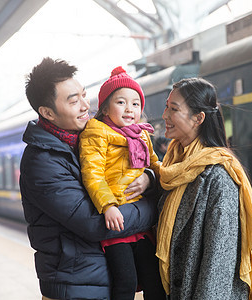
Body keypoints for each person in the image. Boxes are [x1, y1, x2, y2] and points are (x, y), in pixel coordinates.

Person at [20, 57, 159, 300]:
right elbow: (94, 223)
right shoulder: (41, 162)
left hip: (99, 279)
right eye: (74, 101)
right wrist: (156, 207)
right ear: (47, 113)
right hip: (74, 287)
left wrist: (149, 178)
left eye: (84, 95)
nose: (86, 105)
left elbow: (136, 170)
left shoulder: (90, 139)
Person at [156, 78, 252, 299]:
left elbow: (217, 264)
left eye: (174, 109)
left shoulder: (218, 176)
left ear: (198, 118)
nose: (165, 116)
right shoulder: (173, 166)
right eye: (166, 107)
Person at [79, 66, 165, 300]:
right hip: (116, 221)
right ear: (105, 107)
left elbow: (156, 165)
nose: (130, 109)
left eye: (136, 103)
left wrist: (152, 177)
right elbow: (92, 174)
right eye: (121, 102)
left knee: (154, 280)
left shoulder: (142, 135)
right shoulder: (95, 134)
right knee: (125, 281)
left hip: (143, 224)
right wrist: (108, 206)